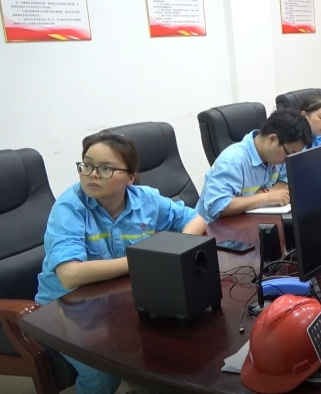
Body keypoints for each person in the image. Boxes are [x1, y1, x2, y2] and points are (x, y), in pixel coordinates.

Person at [36, 132, 206, 394]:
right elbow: (70, 275)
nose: (92, 174)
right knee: (102, 373)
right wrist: (142, 261)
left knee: (180, 339)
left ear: (130, 178)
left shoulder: (145, 199)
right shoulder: (70, 207)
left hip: (116, 299)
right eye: (87, 165)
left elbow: (195, 219)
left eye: (105, 168)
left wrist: (174, 250)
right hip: (65, 308)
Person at [197, 109, 312, 222]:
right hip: (214, 229)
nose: (287, 160)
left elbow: (287, 180)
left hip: (250, 222)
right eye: (289, 153)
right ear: (272, 139)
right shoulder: (232, 161)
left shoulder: (277, 156)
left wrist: (267, 192)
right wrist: (265, 198)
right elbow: (216, 206)